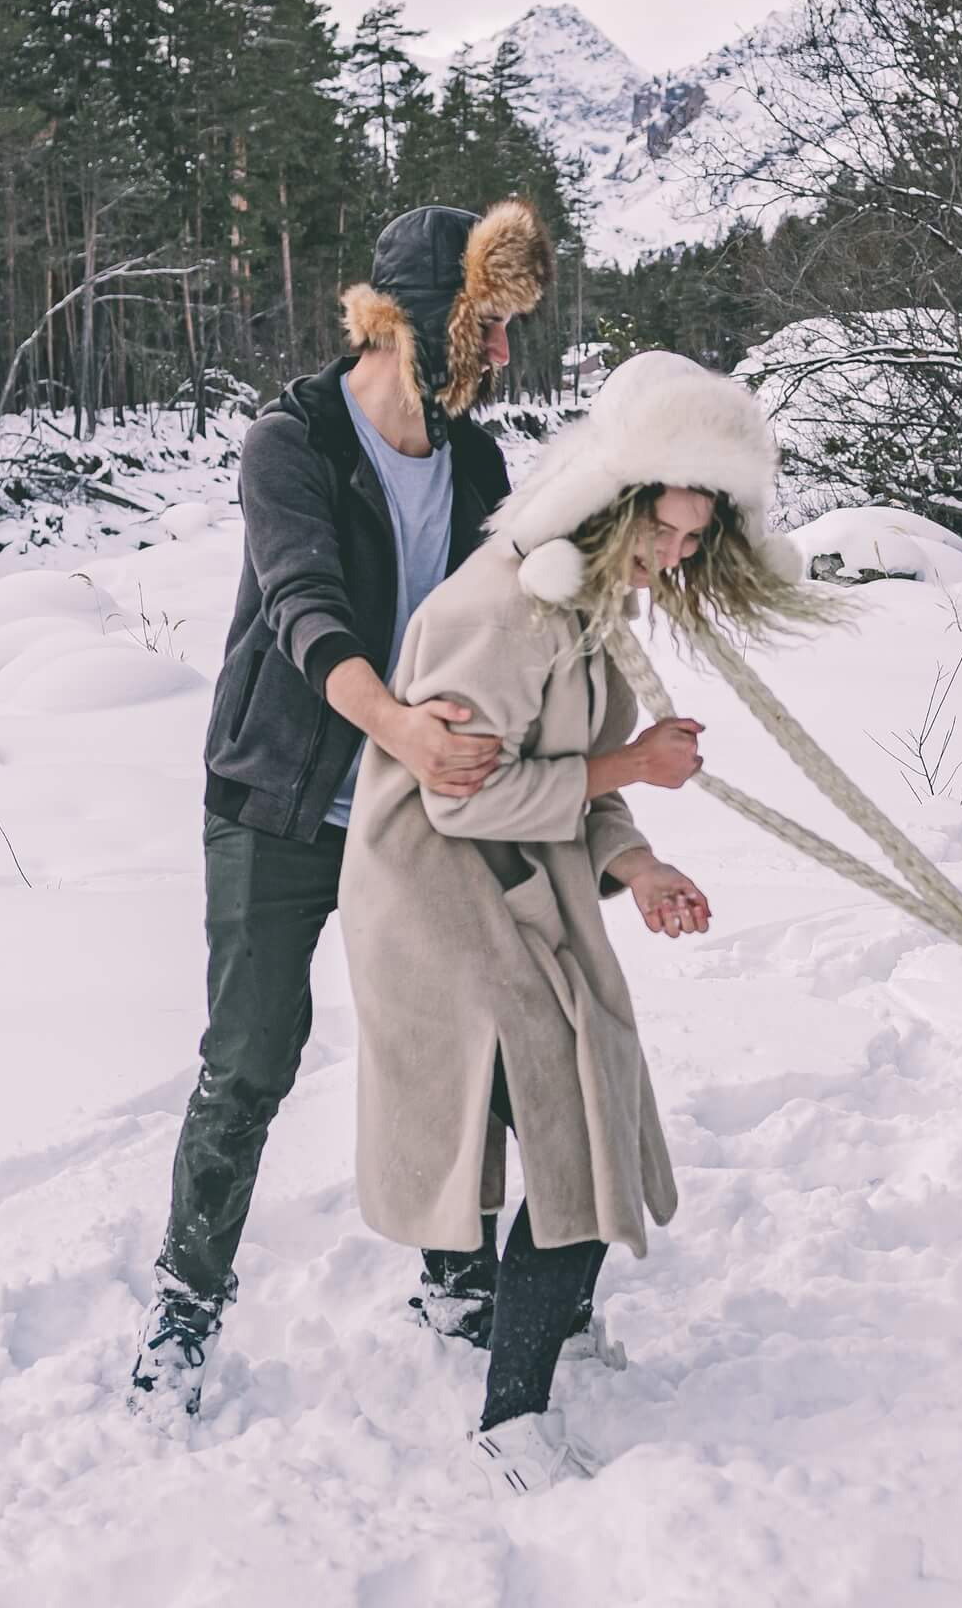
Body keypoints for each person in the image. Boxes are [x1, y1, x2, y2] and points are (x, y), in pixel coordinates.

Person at [337, 351, 833, 1496]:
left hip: (519, 882)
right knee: (566, 1113)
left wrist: (642, 862)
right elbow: (461, 790)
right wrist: (632, 768)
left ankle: (541, 1319)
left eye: (696, 537)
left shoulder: (588, 610)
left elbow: (576, 782)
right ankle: (510, 1418)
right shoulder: (497, 613)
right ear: (611, 511)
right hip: (433, 896)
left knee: (594, 1091)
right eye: (666, 529)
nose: (678, 554)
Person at [130, 197, 557, 1422]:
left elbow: (517, 609)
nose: (508, 356)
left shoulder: (477, 462)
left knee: (449, 1038)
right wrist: (406, 730)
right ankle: (186, 1302)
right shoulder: (295, 440)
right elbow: (305, 610)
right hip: (278, 798)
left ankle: (453, 1273)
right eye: (494, 327)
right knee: (250, 1058)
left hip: (414, 806)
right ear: (429, 324)